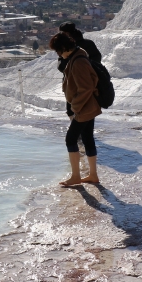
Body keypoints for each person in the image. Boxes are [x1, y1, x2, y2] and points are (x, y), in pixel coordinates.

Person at [50, 31, 101, 187]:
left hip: (84, 108)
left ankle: (76, 176)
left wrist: (75, 107)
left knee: (70, 139)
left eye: (59, 51)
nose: (58, 55)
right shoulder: (78, 55)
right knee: (87, 138)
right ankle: (92, 175)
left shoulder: (78, 61)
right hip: (89, 106)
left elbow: (85, 88)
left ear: (65, 47)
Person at [57, 22, 102, 118]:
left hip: (74, 85)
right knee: (88, 113)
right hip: (89, 84)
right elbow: (97, 61)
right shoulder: (89, 44)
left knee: (75, 116)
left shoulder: (68, 47)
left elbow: (61, 67)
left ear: (67, 34)